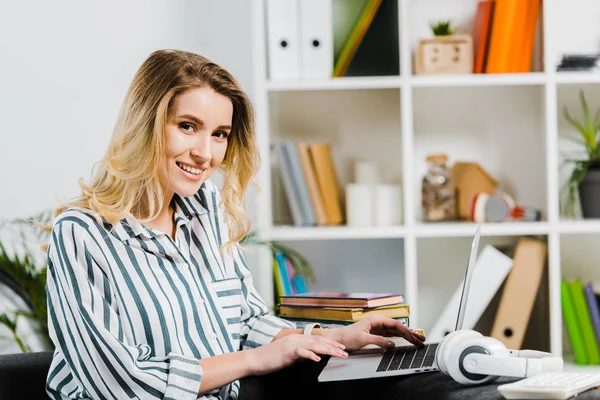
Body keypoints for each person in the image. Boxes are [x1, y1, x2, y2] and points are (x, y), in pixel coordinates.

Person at [44, 49, 426, 400]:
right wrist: (254, 360)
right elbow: (117, 383)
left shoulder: (205, 207)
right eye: (188, 126)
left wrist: (332, 336)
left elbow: (247, 321)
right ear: (145, 123)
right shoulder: (83, 234)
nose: (205, 153)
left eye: (219, 134)